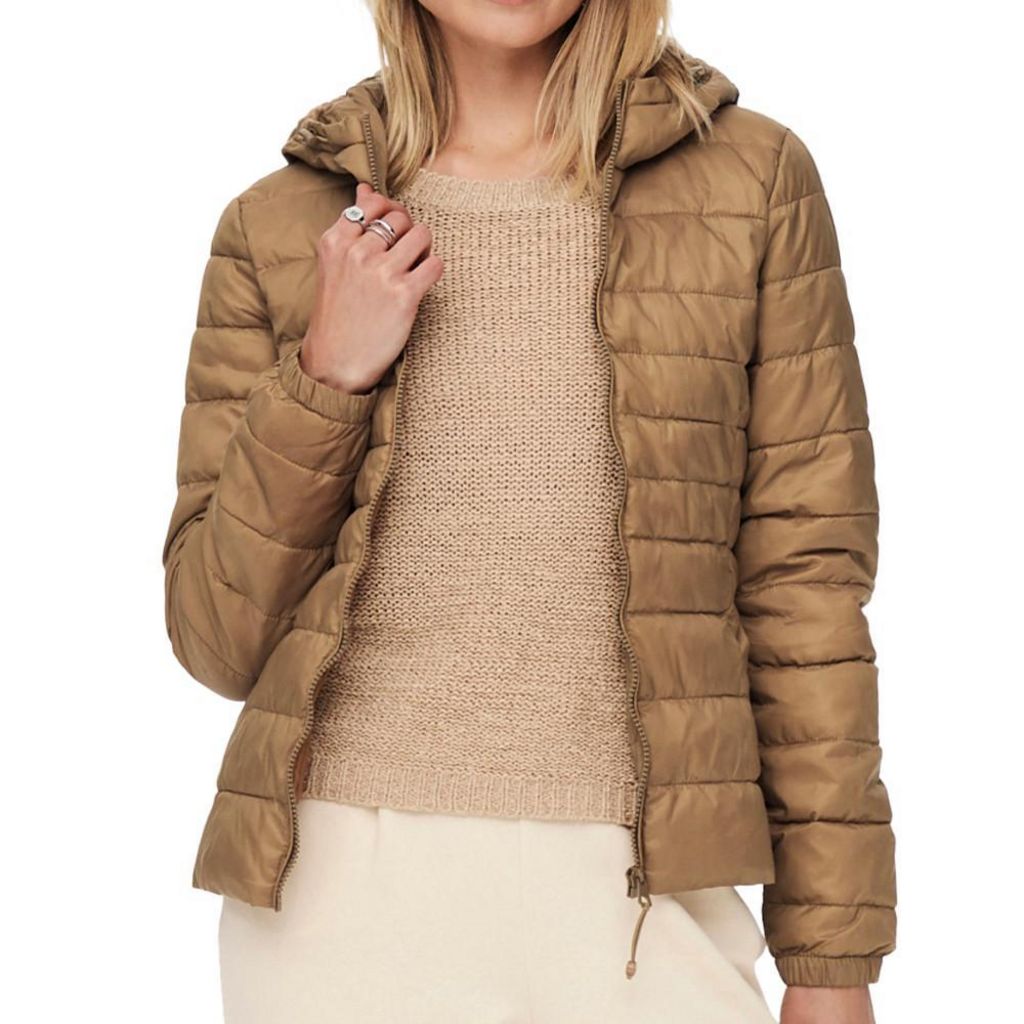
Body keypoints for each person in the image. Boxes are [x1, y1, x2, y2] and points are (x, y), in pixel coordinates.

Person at [160, 2, 896, 1021]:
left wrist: (830, 966)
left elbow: (803, 597)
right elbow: (216, 641)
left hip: (645, 908)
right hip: (337, 909)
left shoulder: (750, 183)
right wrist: (326, 375)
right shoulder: (283, 227)